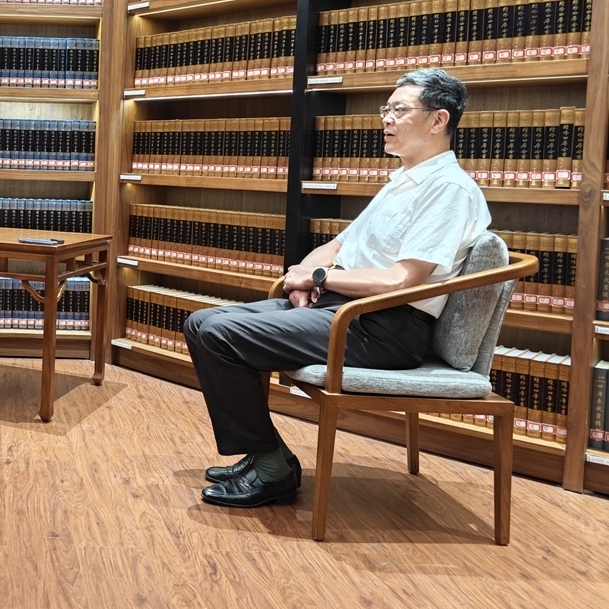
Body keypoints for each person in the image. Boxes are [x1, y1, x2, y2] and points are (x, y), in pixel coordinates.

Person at [184, 68, 490, 509]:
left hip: (382, 327)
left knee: (220, 334)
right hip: (344, 310)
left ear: (438, 120)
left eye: (399, 109)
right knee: (201, 323)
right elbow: (337, 246)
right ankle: (267, 456)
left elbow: (400, 279)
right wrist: (302, 275)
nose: (386, 118)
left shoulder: (449, 190)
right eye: (386, 108)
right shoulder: (403, 181)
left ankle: (271, 468)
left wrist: (319, 279)